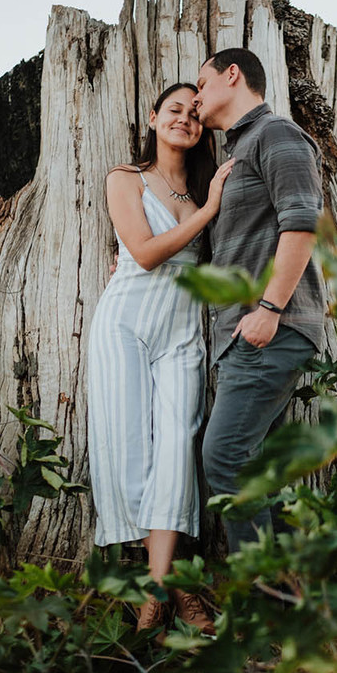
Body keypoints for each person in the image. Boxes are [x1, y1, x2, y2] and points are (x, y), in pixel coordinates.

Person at [87, 82, 235, 640]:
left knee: (177, 449)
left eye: (196, 115)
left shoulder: (200, 193)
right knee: (129, 449)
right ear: (153, 118)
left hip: (180, 332)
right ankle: (171, 590)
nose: (185, 120)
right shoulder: (126, 179)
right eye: (175, 110)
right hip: (125, 323)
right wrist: (210, 211)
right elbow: (145, 254)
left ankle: (162, 586)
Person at [190, 48, 326, 552]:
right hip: (245, 333)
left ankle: (262, 601)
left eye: (201, 83)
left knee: (223, 457)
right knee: (253, 467)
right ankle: (291, 602)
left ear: (233, 75)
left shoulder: (277, 134)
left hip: (269, 328)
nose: (197, 96)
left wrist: (269, 310)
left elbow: (302, 222)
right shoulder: (237, 151)